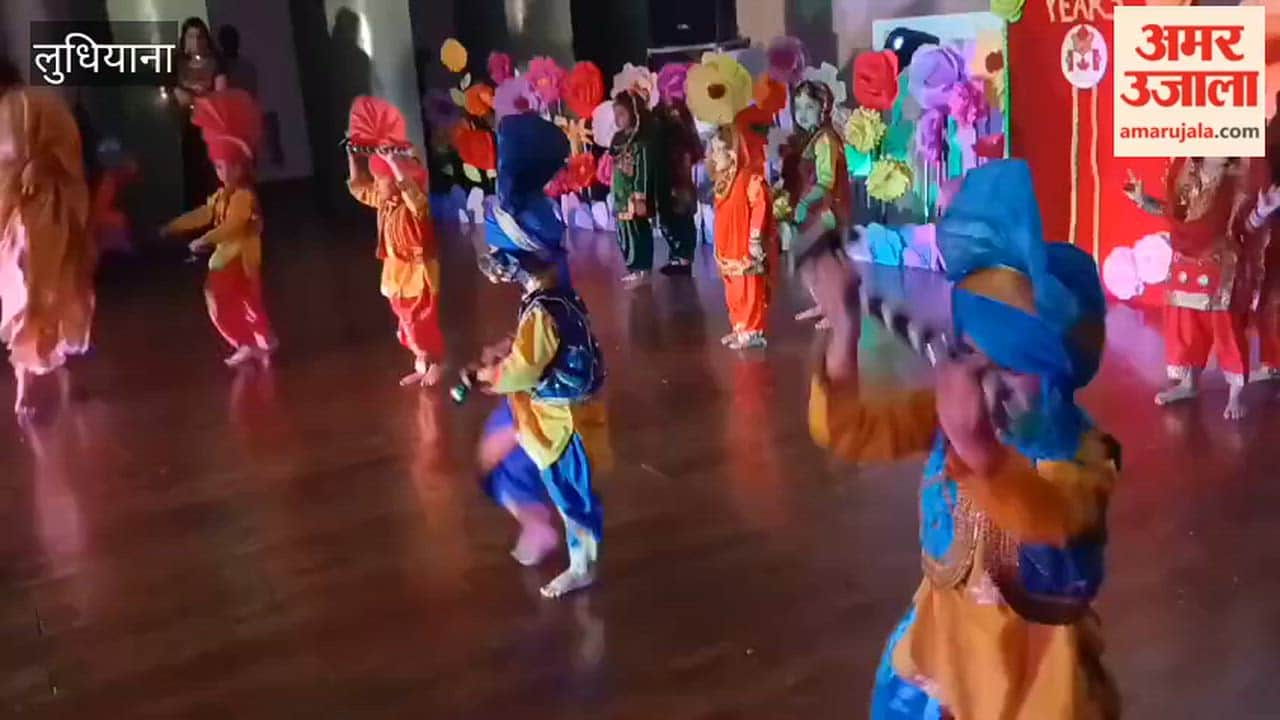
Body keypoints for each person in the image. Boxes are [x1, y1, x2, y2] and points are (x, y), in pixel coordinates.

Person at [802, 160, 1120, 719]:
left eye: (1008, 363)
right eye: (971, 352)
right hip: (937, 661)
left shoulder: (1081, 455)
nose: (980, 376)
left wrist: (981, 454)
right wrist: (846, 329)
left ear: (1055, 375)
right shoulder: (949, 416)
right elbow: (849, 431)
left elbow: (1057, 523)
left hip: (1034, 681)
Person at [473, 112, 611, 598]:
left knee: (572, 496)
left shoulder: (541, 311)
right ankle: (549, 534)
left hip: (560, 421)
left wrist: (494, 374)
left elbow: (526, 368)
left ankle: (582, 562)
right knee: (550, 483)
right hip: (553, 412)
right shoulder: (553, 293)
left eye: (500, 259)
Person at [1124, 157, 1262, 419]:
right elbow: (1175, 216)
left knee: (1226, 328)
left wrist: (1264, 211)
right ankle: (1188, 383)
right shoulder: (1186, 173)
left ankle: (1235, 395)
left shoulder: (1241, 178)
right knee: (1186, 325)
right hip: (1185, 264)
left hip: (1219, 264)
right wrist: (1143, 201)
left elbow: (1246, 226)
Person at [0, 60, 97, 415]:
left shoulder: (37, 103)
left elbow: (67, 150)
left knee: (51, 291)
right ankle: (24, 391)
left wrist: (43, 164)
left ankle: (61, 377)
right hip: (12, 220)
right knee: (19, 298)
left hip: (48, 213)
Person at [162, 89, 276, 368]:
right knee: (229, 302)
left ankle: (258, 341)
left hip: (239, 260)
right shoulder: (221, 196)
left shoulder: (244, 197)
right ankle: (252, 341)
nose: (221, 172)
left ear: (241, 168)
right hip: (226, 258)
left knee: (240, 302)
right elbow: (205, 213)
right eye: (218, 167)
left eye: (226, 167)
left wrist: (205, 239)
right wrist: (175, 226)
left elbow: (233, 225)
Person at [345, 96, 444, 387]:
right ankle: (423, 362)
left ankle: (436, 362)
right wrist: (353, 158)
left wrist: (394, 165)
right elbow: (360, 189)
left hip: (418, 271)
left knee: (421, 321)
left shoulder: (414, 204)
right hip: (395, 271)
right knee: (405, 324)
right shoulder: (384, 202)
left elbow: (411, 193)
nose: (378, 186)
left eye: (383, 181)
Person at [707, 111, 775, 350]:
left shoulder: (748, 179)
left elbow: (760, 206)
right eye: (713, 150)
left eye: (718, 150)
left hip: (744, 246)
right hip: (727, 247)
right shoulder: (724, 181)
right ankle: (739, 327)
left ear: (732, 154)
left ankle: (752, 331)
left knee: (748, 289)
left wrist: (755, 238)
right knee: (733, 290)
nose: (714, 156)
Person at [778, 80, 850, 253]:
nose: (802, 114)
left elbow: (826, 182)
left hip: (823, 212)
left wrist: (803, 205)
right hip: (811, 210)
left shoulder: (825, 140)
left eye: (809, 107)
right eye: (799, 107)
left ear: (823, 108)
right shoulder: (809, 139)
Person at [172, 17, 227, 210]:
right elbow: (178, 96)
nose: (195, 41)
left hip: (212, 129)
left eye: (199, 36)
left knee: (215, 177)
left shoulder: (216, 63)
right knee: (193, 179)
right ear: (184, 40)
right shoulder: (177, 64)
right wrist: (199, 98)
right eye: (191, 37)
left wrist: (196, 99)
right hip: (189, 129)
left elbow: (220, 95)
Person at [610, 90, 657, 288]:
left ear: (633, 113)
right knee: (623, 233)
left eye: (622, 114)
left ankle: (642, 269)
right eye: (616, 114)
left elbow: (644, 170)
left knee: (638, 232)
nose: (618, 119)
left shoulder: (640, 142)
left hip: (634, 197)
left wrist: (640, 197)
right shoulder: (618, 139)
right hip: (620, 195)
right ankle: (632, 268)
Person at [654, 94, 702, 276]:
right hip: (668, 177)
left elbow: (691, 153)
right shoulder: (663, 125)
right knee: (670, 219)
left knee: (681, 218)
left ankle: (683, 258)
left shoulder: (683, 130)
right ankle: (677, 256)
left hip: (679, 179)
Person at [217, 25, 259, 98]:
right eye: (227, 40)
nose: (230, 43)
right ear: (221, 42)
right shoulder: (216, 67)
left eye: (233, 39)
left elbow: (253, 94)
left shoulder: (247, 67)